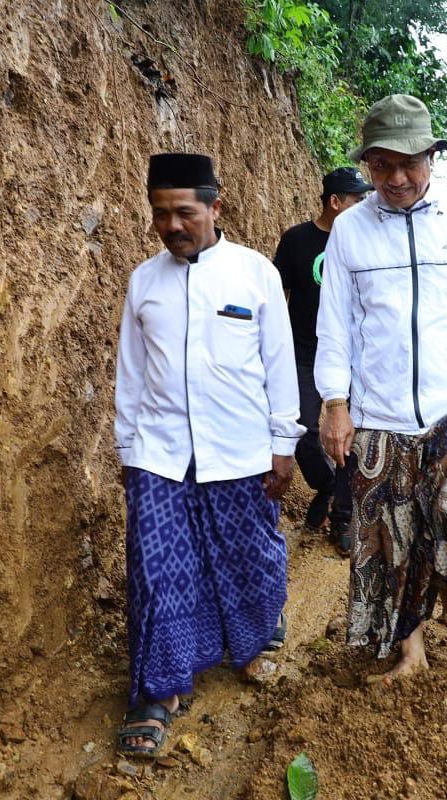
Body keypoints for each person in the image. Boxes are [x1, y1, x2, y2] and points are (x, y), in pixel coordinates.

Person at [315, 94, 447, 685]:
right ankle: (410, 647)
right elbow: (333, 325)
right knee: (388, 536)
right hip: (378, 411)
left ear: (433, 157)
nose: (398, 178)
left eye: (410, 162)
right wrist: (335, 403)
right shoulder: (351, 233)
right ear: (367, 168)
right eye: (381, 166)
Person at [114, 153, 305, 755]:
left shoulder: (253, 274)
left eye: (184, 213)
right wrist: (128, 447)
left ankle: (253, 640)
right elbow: (131, 372)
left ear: (215, 207)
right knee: (156, 570)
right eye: (160, 214)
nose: (171, 225)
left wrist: (283, 445)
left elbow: (279, 364)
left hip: (241, 449)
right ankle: (160, 690)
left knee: (249, 551)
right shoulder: (144, 281)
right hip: (159, 452)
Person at [273, 167, 373, 555]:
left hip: (351, 356)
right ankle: (327, 486)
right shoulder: (297, 240)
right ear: (335, 202)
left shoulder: (365, 243)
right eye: (356, 200)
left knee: (347, 435)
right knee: (300, 430)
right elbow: (276, 292)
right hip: (301, 353)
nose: (363, 206)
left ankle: (344, 517)